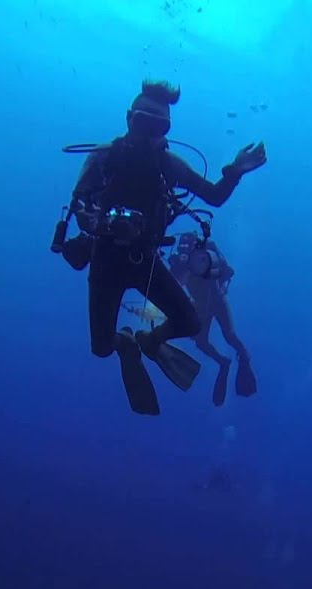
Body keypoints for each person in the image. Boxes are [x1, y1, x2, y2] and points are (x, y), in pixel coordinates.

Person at [53, 79, 267, 415]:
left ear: (166, 129)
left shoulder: (169, 165)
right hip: (106, 257)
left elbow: (214, 196)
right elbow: (78, 203)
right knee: (101, 348)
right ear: (129, 119)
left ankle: (149, 341)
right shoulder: (104, 157)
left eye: (160, 126)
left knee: (190, 323)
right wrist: (97, 223)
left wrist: (236, 170)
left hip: (144, 260)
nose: (151, 133)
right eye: (145, 123)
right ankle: (126, 341)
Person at [167, 232, 257, 406]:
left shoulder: (208, 253)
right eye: (183, 245)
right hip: (201, 305)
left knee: (229, 335)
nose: (185, 248)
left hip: (217, 300)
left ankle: (244, 356)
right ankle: (223, 362)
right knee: (201, 342)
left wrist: (221, 282)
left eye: (188, 244)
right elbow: (175, 284)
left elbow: (227, 271)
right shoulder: (180, 263)